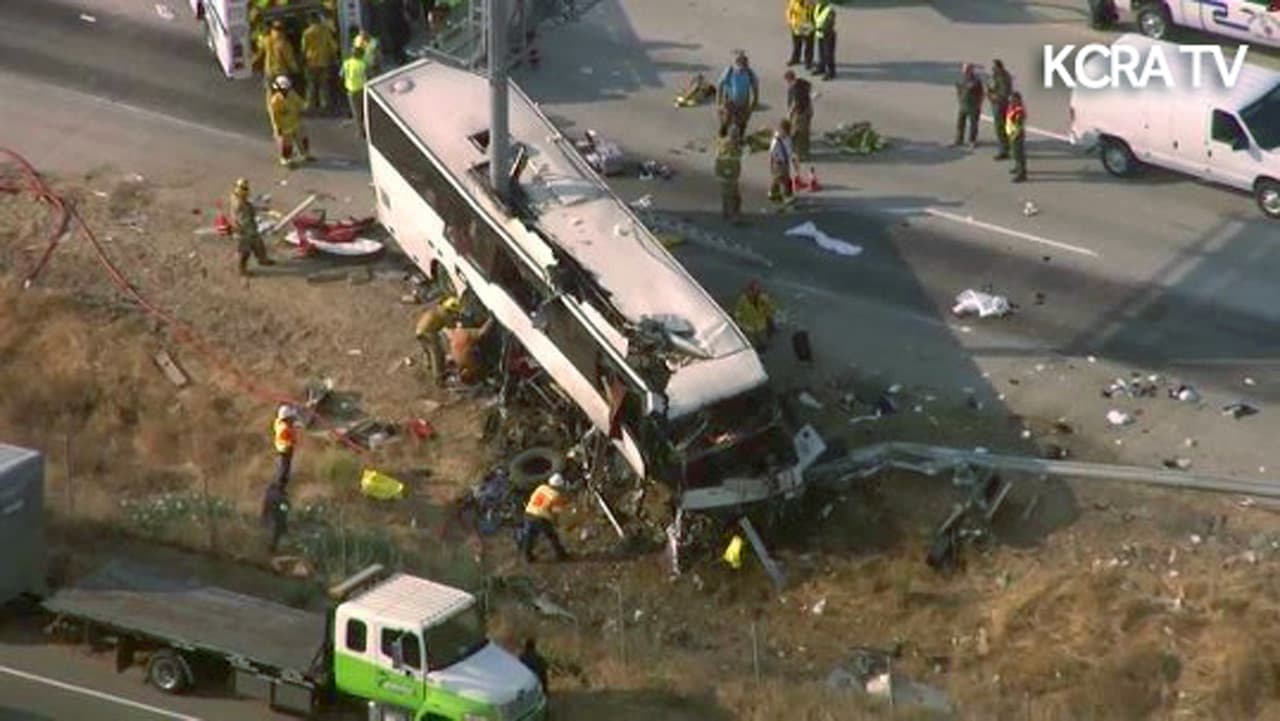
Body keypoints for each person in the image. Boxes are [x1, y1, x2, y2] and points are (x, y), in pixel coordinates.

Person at [228, 178, 275, 275]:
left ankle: (262, 259)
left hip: (250, 227)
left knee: (259, 244)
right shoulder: (239, 203)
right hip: (243, 230)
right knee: (244, 252)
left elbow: (250, 205)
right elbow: (247, 211)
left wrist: (262, 208)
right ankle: (242, 270)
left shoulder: (238, 198)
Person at [520, 472, 569, 562]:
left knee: (529, 537)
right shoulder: (556, 495)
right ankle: (561, 555)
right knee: (552, 536)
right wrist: (556, 522)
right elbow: (555, 512)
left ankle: (527, 556)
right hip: (541, 518)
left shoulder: (541, 487)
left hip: (529, 513)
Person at [415, 295, 461, 386]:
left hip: (419, 330)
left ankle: (429, 364)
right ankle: (439, 378)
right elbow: (451, 326)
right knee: (437, 354)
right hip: (428, 333)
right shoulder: (445, 314)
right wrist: (457, 320)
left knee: (427, 349)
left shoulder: (439, 309)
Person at [267, 75, 312, 167]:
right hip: (284, 125)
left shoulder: (292, 94)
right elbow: (274, 116)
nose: (285, 91)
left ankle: (305, 154)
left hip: (295, 121)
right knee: (287, 143)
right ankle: (286, 158)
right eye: (283, 89)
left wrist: (305, 107)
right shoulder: (275, 101)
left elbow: (300, 103)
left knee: (303, 137)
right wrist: (277, 128)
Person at [716, 51, 759, 140]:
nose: (743, 67)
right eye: (741, 64)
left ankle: (740, 139)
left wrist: (753, 104)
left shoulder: (750, 73)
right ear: (737, 63)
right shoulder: (729, 71)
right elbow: (720, 85)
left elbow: (755, 88)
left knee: (743, 122)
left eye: (745, 64)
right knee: (726, 121)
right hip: (730, 101)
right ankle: (722, 137)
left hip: (743, 103)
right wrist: (719, 103)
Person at [301, 13, 339, 111]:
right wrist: (334, 57)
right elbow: (333, 46)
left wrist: (303, 59)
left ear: (310, 21)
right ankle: (324, 103)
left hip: (311, 62)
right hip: (324, 61)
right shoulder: (325, 31)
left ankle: (310, 104)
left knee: (311, 84)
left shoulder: (306, 33)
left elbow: (304, 48)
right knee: (324, 84)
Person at [446, 317, 495, 384]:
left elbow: (482, 333)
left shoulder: (470, 364)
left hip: (465, 336)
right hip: (459, 334)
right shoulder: (458, 361)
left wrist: (491, 320)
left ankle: (492, 319)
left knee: (482, 333)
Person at [256, 20, 299, 93]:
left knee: (270, 92)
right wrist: (295, 69)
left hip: (269, 71)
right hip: (281, 71)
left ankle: (270, 104)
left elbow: (259, 46)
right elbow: (289, 59)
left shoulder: (266, 40)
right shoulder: (284, 43)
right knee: (282, 94)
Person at [733, 280, 777, 349]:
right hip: (748, 327)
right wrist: (739, 324)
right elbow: (737, 312)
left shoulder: (763, 299)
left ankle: (762, 347)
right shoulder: (743, 300)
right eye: (752, 290)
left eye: (756, 291)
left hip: (761, 326)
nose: (753, 293)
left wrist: (766, 304)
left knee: (763, 342)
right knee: (750, 344)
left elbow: (771, 311)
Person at [767, 119, 799, 208]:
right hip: (778, 163)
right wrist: (772, 166)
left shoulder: (788, 138)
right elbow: (772, 154)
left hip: (786, 162)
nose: (787, 132)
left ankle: (773, 192)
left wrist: (793, 160)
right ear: (781, 129)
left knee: (779, 178)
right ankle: (787, 196)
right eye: (785, 130)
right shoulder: (776, 141)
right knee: (784, 179)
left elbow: (790, 149)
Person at [714, 130, 744, 223]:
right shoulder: (730, 148)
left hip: (727, 175)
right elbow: (728, 161)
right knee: (733, 197)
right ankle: (733, 216)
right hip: (729, 176)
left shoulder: (725, 146)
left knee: (727, 196)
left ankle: (726, 213)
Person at [987, 59, 1013, 160]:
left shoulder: (1003, 78)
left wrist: (992, 96)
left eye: (994, 68)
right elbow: (990, 86)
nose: (993, 70)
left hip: (1001, 106)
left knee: (1000, 128)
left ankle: (1004, 150)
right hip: (997, 105)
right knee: (1001, 128)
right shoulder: (996, 76)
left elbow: (1004, 93)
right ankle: (1006, 146)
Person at [784, 70, 813, 161]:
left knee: (797, 134)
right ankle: (805, 152)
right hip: (807, 110)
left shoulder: (794, 88)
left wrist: (789, 114)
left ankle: (799, 155)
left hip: (800, 113)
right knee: (805, 133)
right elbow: (809, 86)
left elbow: (795, 104)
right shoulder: (802, 82)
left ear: (789, 79)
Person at [953, 63, 984, 148]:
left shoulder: (976, 81)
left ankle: (972, 140)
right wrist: (960, 100)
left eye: (967, 69)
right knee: (960, 123)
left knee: (973, 124)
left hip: (973, 106)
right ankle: (959, 139)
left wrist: (978, 104)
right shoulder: (962, 79)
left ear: (971, 70)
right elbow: (959, 91)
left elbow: (981, 94)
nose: (965, 71)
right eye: (964, 69)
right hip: (963, 105)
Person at [342, 46, 369, 137]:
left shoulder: (346, 63)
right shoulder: (362, 64)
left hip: (351, 91)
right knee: (364, 111)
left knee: (356, 112)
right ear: (361, 55)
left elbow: (341, 74)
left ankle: (360, 132)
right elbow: (367, 76)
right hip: (362, 89)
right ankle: (367, 128)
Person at [271, 403, 300, 486]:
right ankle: (280, 485)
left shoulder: (279, 423)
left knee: (283, 467)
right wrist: (293, 441)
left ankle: (281, 483)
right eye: (291, 418)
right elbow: (288, 438)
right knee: (284, 469)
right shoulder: (285, 429)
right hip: (285, 450)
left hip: (282, 449)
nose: (293, 419)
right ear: (287, 418)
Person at [262, 479, 290, 553]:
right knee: (275, 532)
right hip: (276, 515)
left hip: (274, 515)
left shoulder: (271, 494)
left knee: (274, 532)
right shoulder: (279, 496)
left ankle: (272, 547)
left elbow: (266, 506)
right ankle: (272, 547)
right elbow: (285, 509)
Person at [786, 0, 815, 70]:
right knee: (796, 44)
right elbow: (789, 11)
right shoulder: (793, 1)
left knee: (809, 45)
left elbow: (814, 12)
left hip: (807, 25)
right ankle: (796, 59)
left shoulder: (810, 1)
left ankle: (808, 62)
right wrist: (790, 21)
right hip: (796, 25)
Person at [1006, 92, 1027, 183]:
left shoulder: (1019, 111)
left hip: (1017, 135)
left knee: (1019, 154)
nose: (1010, 102)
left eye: (1012, 100)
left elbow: (1018, 123)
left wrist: (1014, 133)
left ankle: (1021, 173)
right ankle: (1017, 167)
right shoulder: (1012, 108)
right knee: (1015, 152)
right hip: (1012, 133)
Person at [812, 0, 836, 81]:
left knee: (828, 54)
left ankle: (831, 72)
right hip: (820, 35)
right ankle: (821, 68)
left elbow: (829, 23)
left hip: (828, 35)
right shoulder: (817, 7)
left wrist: (819, 28)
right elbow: (814, 18)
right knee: (821, 52)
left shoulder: (830, 10)